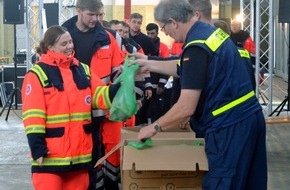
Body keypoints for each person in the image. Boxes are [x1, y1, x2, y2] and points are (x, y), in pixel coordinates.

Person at [132, 0, 267, 189]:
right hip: (249, 119)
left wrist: (153, 127)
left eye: (164, 28)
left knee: (222, 182)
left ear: (173, 22)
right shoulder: (209, 34)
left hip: (228, 127)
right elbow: (187, 68)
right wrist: (148, 62)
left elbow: (186, 107)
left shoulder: (196, 45)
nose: (166, 34)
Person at [22, 25, 120, 190]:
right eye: (64, 44)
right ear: (50, 47)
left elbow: (99, 97)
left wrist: (117, 89)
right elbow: (33, 116)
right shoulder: (37, 74)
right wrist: (37, 148)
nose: (70, 47)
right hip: (49, 158)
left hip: (80, 157)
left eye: (70, 42)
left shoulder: (83, 70)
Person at [62, 0, 124, 189]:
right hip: (74, 109)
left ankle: (111, 185)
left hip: (105, 107)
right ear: (79, 11)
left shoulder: (110, 37)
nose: (96, 19)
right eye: (91, 15)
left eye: (100, 15)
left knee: (112, 150)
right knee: (83, 153)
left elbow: (119, 72)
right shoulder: (61, 35)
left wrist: (125, 98)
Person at [146, 23, 170, 122]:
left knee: (156, 109)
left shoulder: (163, 47)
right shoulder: (144, 44)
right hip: (146, 81)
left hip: (157, 82)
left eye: (152, 34)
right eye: (148, 33)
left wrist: (161, 83)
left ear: (157, 33)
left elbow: (167, 65)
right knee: (145, 109)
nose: (150, 36)